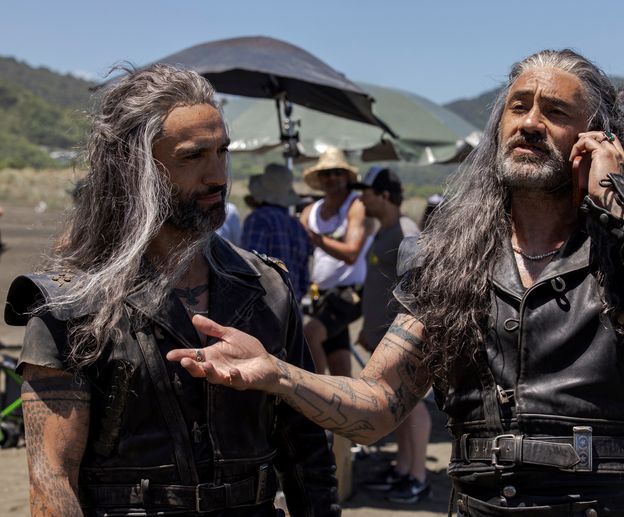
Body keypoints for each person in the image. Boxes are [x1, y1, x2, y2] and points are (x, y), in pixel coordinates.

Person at [168, 49, 624, 516]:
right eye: (519, 106)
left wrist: (617, 201)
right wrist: (280, 374)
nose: (531, 123)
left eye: (556, 112)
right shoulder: (451, 262)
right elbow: (377, 406)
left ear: (596, 140)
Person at [5, 64, 339, 517]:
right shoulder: (70, 305)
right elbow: (53, 484)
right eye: (193, 156)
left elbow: (305, 453)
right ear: (134, 167)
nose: (219, 175)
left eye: (222, 151)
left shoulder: (266, 288)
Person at [351, 167, 431, 503]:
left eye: (366, 191)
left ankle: (417, 476)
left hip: (401, 345)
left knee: (411, 406)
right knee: (399, 408)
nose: (361, 197)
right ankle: (402, 468)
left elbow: (421, 292)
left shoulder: (406, 233)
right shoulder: (384, 231)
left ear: (384, 196)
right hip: (382, 340)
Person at [299, 148, 375, 376]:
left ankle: (315, 398)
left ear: (347, 177)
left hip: (348, 294)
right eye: (326, 173)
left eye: (337, 173)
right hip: (320, 295)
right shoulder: (311, 211)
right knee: (340, 364)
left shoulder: (356, 206)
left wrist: (317, 239)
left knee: (310, 335)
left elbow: (352, 253)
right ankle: (347, 407)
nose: (331, 178)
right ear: (319, 179)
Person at [241, 163, 312, 301]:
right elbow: (304, 279)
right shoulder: (298, 226)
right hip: (293, 309)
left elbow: (250, 267)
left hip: (265, 308)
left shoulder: (258, 219)